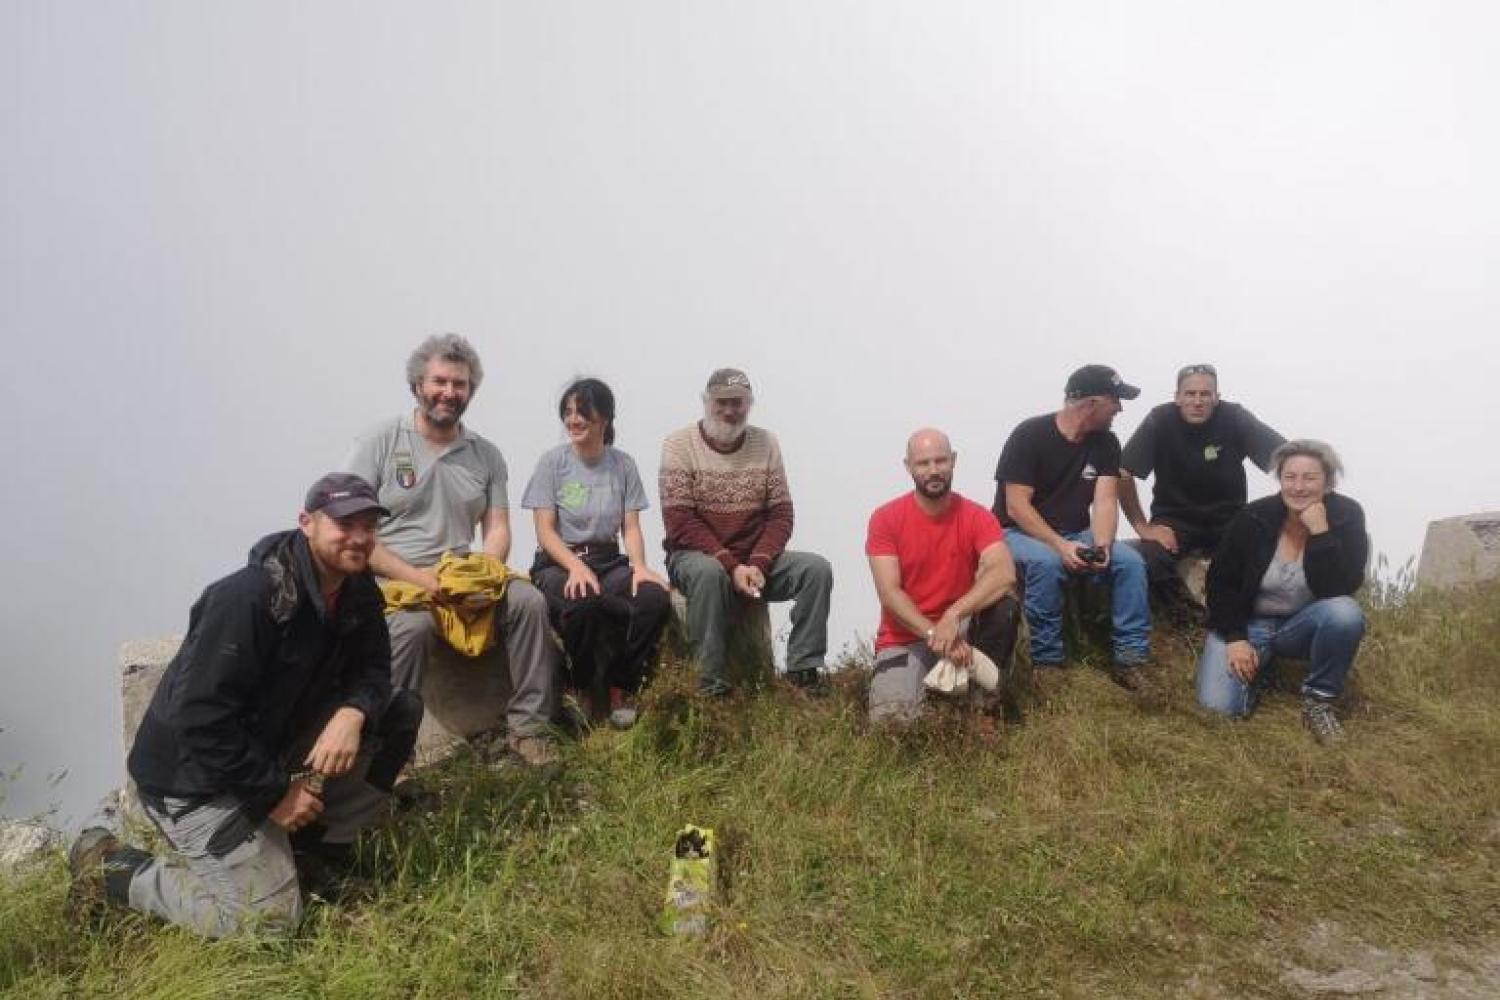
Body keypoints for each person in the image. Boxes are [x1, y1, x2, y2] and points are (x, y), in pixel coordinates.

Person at [68, 474, 423, 938]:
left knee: (397, 712)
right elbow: (199, 718)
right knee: (270, 925)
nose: (359, 537)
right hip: (193, 778)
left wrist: (352, 712)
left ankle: (313, 851)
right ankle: (115, 867)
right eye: (344, 522)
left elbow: (376, 670)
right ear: (307, 523)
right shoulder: (247, 598)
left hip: (266, 744)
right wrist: (276, 794)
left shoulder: (356, 589)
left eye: (369, 525)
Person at [344, 333, 562, 766]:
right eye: (440, 381)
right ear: (418, 385)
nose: (449, 392)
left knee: (529, 602)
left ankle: (531, 730)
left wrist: (483, 570)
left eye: (459, 384)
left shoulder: (486, 455)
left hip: (462, 573)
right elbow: (355, 532)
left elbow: (497, 529)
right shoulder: (381, 441)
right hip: (394, 578)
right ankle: (388, 758)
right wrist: (421, 580)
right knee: (412, 630)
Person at [659, 368, 833, 695]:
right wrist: (731, 565)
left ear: (749, 404)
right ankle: (711, 685)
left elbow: (781, 514)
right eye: (721, 402)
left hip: (755, 560)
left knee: (815, 570)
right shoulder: (679, 445)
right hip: (696, 557)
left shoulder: (766, 443)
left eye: (737, 403)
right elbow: (680, 522)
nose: (729, 411)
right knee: (710, 575)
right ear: (706, 402)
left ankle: (803, 672)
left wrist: (757, 564)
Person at [522, 378, 673, 728]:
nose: (573, 420)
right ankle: (582, 688)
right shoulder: (552, 463)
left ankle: (624, 685)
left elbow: (630, 527)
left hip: (608, 559)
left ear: (604, 418)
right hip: (560, 560)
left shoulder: (623, 465)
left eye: (582, 413)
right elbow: (544, 530)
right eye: (569, 412)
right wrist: (574, 566)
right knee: (584, 600)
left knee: (652, 598)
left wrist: (639, 567)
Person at [1196, 439, 1368, 743]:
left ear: (1328, 482)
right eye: (1290, 477)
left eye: (1310, 478)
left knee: (1346, 613)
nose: (1298, 487)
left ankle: (1319, 701)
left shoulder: (1347, 515)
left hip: (1302, 625)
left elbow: (1341, 588)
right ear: (1280, 479)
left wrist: (1322, 534)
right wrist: (1235, 639)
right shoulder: (1253, 518)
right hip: (1249, 624)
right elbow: (1221, 584)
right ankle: (1261, 671)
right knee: (1218, 710)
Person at [992, 364, 1152, 689]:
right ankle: (1047, 664)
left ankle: (1131, 659)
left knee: (1131, 563)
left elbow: (1105, 501)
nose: (1120, 409)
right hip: (1018, 533)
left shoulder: (1106, 442)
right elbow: (1016, 506)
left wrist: (1104, 545)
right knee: (1046, 563)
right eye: (1115, 400)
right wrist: (1059, 545)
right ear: (1092, 403)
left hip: (1076, 533)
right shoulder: (1029, 435)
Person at [866, 429, 1022, 723]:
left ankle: (982, 706)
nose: (933, 470)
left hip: (962, 631)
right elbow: (889, 593)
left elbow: (1004, 572)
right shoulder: (885, 518)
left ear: (953, 461)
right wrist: (933, 632)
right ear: (908, 467)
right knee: (893, 726)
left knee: (1005, 607)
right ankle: (936, 693)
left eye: (941, 461)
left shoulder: (977, 516)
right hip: (905, 637)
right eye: (923, 463)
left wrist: (953, 615)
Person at [1119, 363, 1285, 613]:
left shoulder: (1234, 417)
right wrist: (1143, 527)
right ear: (1177, 397)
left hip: (1229, 519)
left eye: (1205, 394)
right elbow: (1122, 473)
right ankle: (1190, 625)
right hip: (1174, 521)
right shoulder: (1160, 419)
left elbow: (1285, 458)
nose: (1197, 401)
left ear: (1217, 398)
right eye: (1190, 394)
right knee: (1151, 559)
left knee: (1262, 556)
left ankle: (1245, 615)